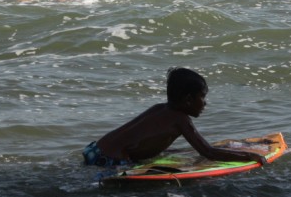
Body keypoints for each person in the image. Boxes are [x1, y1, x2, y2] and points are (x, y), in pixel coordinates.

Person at [82, 67, 268, 168]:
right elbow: (208, 153)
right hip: (111, 162)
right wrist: (250, 156)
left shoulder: (159, 108)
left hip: (95, 150)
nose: (205, 103)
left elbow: (142, 142)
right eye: (202, 97)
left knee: (174, 153)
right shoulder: (181, 120)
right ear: (188, 99)